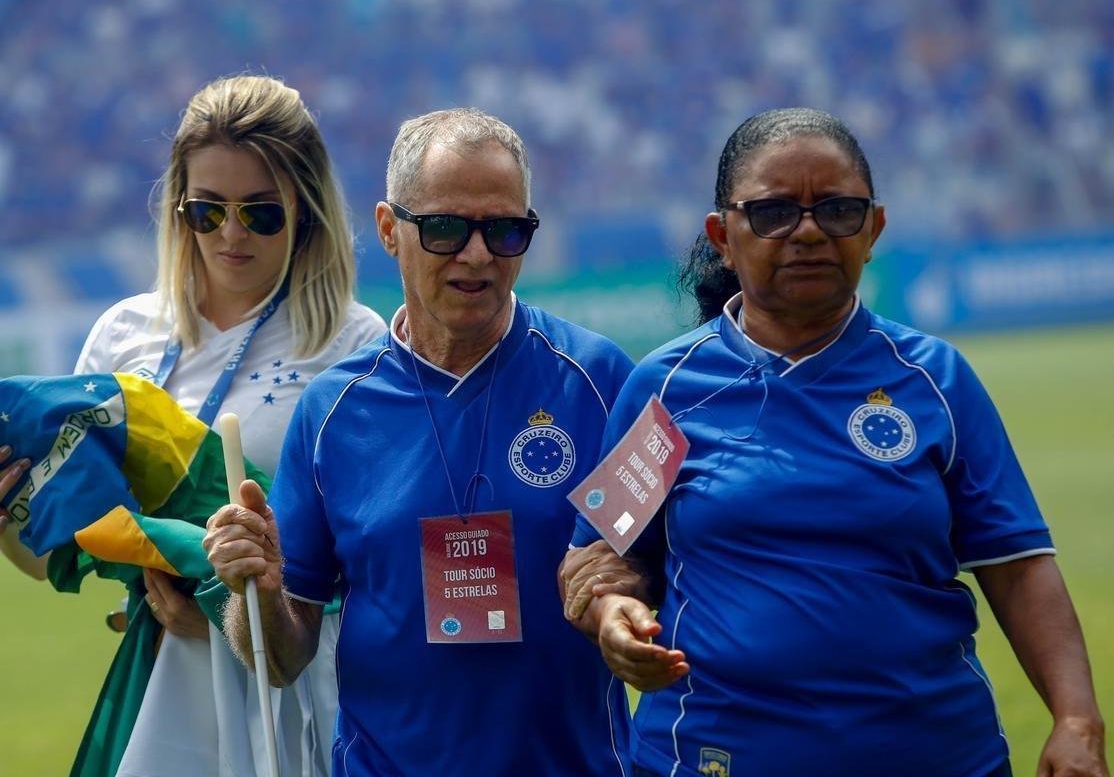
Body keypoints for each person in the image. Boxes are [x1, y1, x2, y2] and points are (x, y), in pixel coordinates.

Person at [560, 108, 1108, 777]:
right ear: (722, 236)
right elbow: (604, 562)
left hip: (933, 757)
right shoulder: (666, 388)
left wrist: (1076, 719)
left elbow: (1018, 566)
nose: (810, 232)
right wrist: (617, 621)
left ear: (874, 228)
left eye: (838, 211)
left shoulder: (934, 381)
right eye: (774, 213)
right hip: (714, 757)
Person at [203, 107, 635, 775]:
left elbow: (676, 576)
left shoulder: (601, 381)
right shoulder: (332, 412)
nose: (477, 254)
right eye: (444, 228)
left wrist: (631, 586)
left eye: (505, 230)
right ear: (389, 230)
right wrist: (255, 591)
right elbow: (284, 656)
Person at [0, 73, 386, 776]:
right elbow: (60, 549)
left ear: (306, 210)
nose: (231, 235)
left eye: (260, 214)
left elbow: (374, 572)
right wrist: (7, 513)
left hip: (293, 695)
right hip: (159, 688)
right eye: (207, 212)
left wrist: (229, 614)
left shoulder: (356, 346)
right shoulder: (123, 335)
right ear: (178, 208)